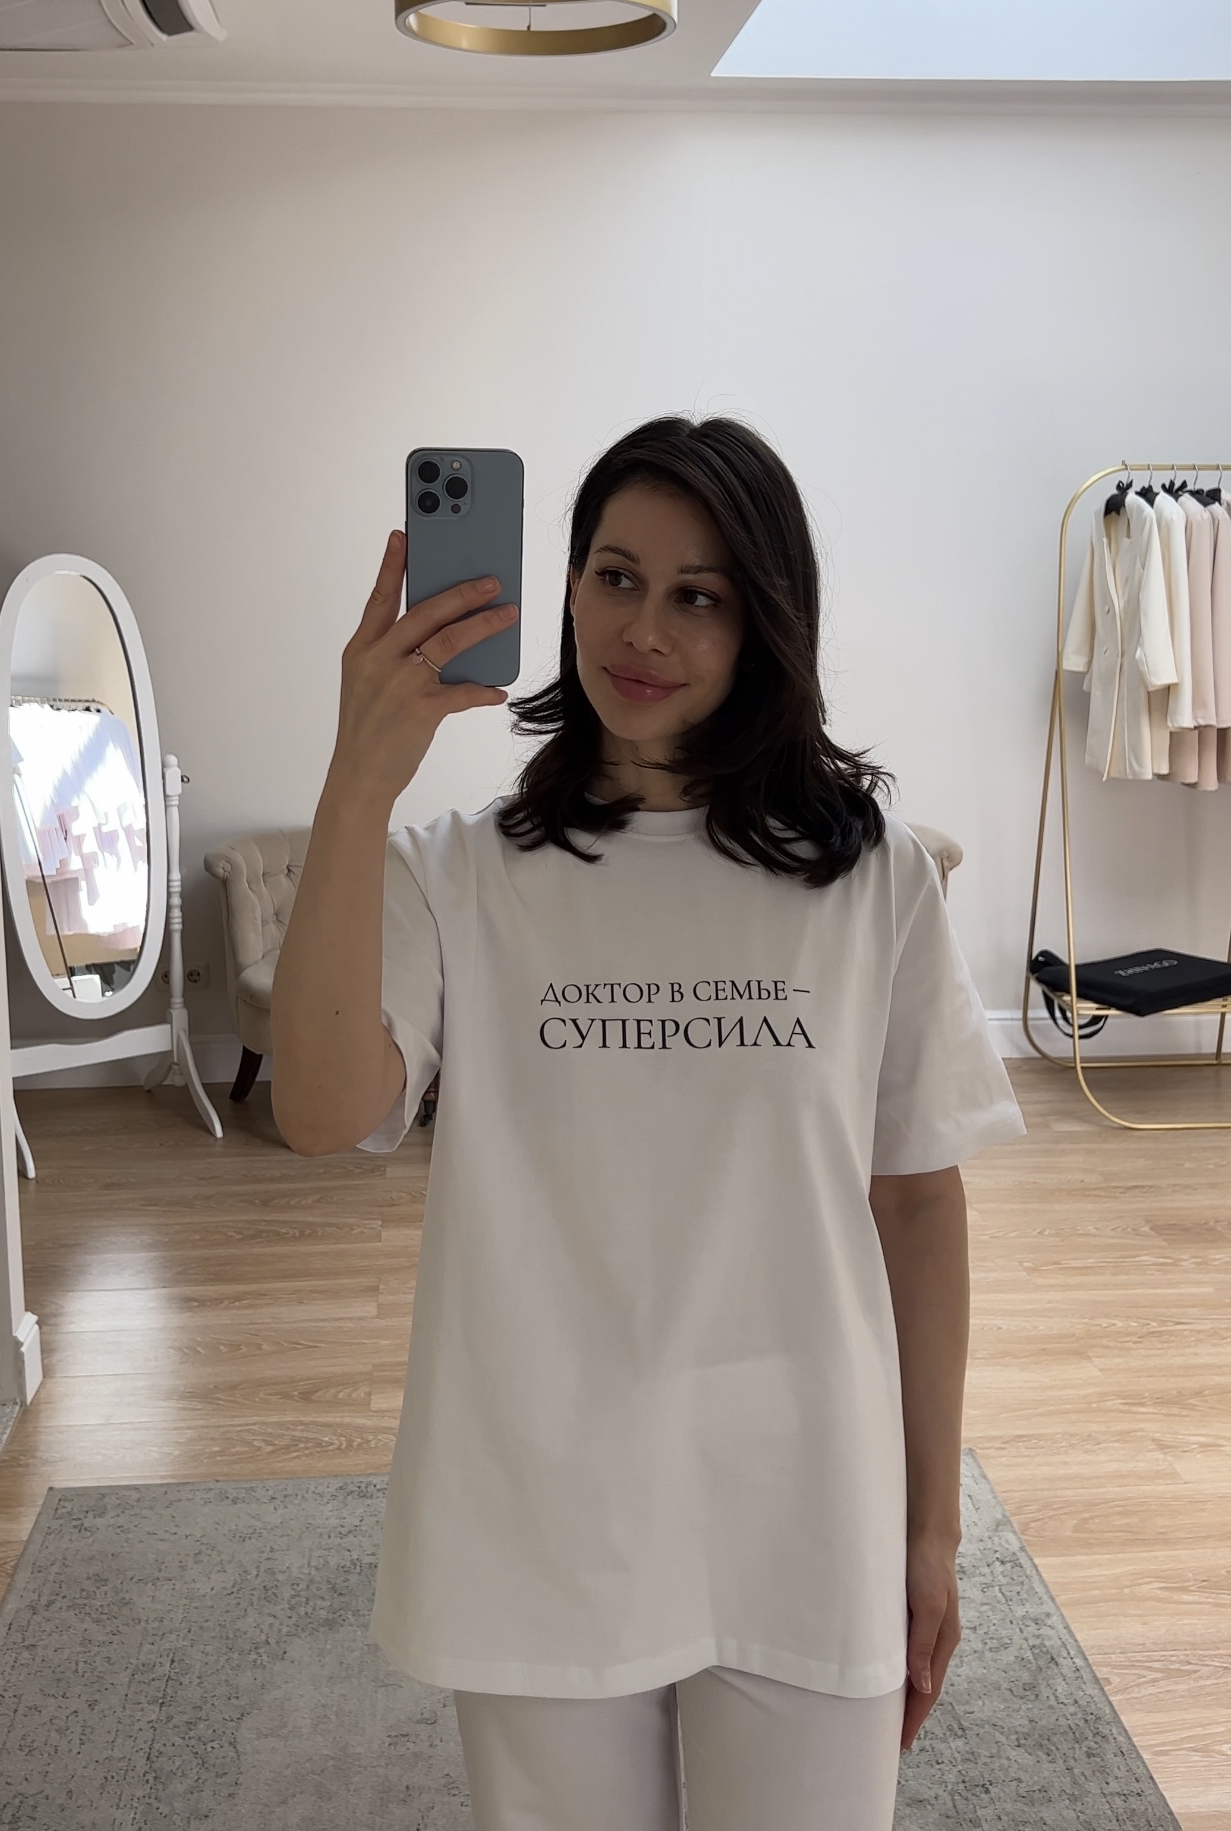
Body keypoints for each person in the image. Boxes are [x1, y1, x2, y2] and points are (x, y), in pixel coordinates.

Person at [271, 416, 1027, 1831]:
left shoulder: (871, 878)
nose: (646, 629)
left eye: (700, 596)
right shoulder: (463, 873)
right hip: (536, 1503)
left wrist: (932, 1527)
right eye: (615, 576)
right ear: (566, 586)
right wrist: (359, 776)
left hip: (806, 1498)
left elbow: (919, 1201)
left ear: (767, 624)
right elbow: (322, 1115)